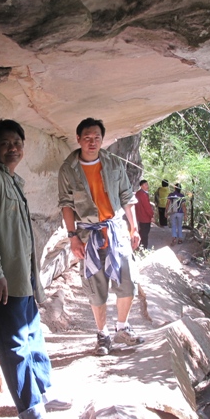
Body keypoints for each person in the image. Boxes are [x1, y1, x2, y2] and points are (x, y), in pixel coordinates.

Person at [0, 119, 70, 419]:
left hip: (22, 277)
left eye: (17, 143)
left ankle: (44, 391)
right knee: (14, 345)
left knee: (33, 336)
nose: (12, 148)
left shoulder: (13, 180)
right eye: (4, 143)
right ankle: (32, 412)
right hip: (4, 279)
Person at [58, 117, 145, 356]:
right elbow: (66, 204)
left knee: (127, 280)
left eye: (97, 137)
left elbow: (127, 196)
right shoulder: (68, 169)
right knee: (96, 288)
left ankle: (122, 328)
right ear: (78, 139)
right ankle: (102, 335)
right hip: (89, 235)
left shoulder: (113, 163)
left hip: (116, 231)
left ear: (102, 139)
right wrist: (73, 237)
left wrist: (134, 227)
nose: (92, 142)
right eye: (87, 137)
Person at [135, 179, 154, 250]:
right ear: (141, 186)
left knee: (142, 231)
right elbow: (147, 207)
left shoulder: (138, 193)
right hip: (145, 216)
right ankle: (144, 247)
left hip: (140, 215)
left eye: (147, 184)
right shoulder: (143, 194)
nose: (147, 186)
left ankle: (140, 245)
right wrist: (151, 216)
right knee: (145, 232)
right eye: (145, 185)